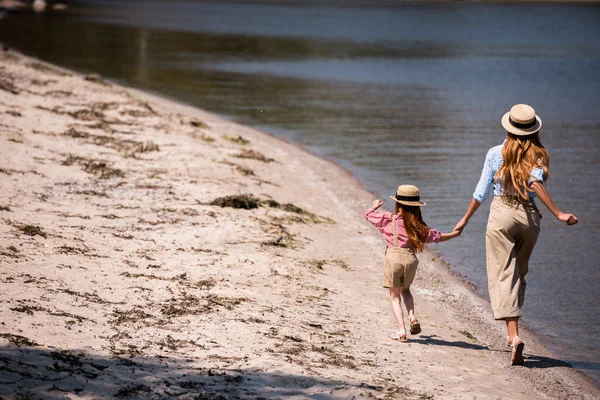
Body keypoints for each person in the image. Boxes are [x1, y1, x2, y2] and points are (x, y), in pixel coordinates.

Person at [454, 104, 578, 365]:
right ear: (533, 129)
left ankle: (514, 336)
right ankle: (513, 334)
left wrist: (464, 220)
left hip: (502, 213)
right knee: (519, 273)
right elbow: (535, 184)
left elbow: (480, 192)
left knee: (504, 274)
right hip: (529, 217)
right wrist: (558, 214)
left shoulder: (494, 153)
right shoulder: (539, 155)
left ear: (509, 127)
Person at [365, 184, 461, 342]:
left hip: (393, 258)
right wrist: (454, 234)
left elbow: (368, 215)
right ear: (417, 208)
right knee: (406, 291)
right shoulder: (419, 227)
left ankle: (401, 330)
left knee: (394, 297)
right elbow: (438, 237)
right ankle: (412, 317)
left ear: (398, 205)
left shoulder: (389, 219)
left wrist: (374, 207)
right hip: (410, 259)